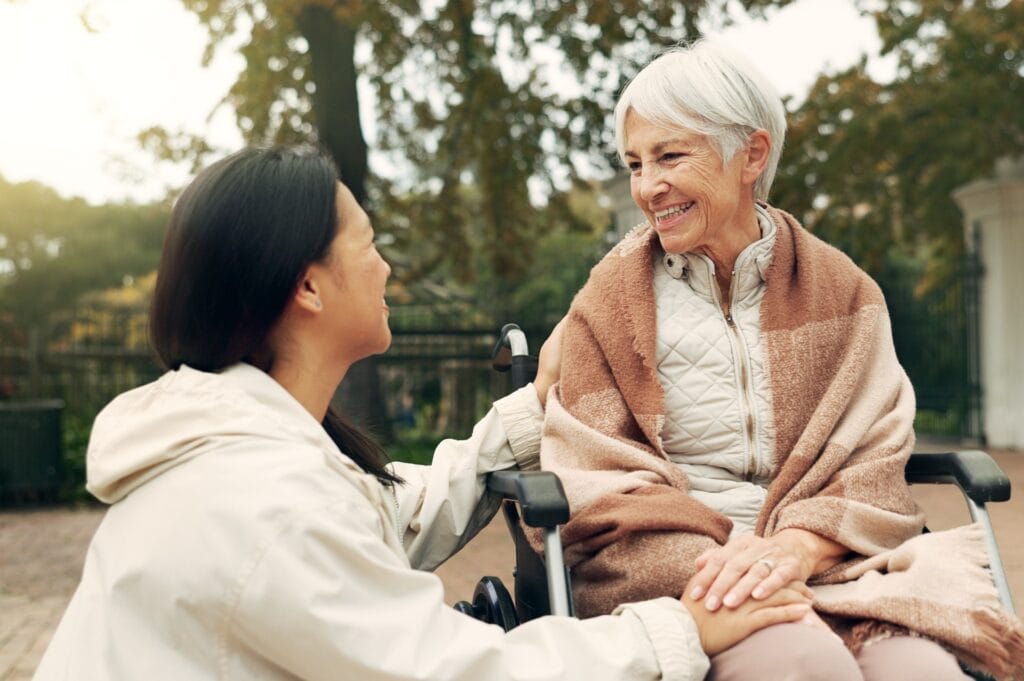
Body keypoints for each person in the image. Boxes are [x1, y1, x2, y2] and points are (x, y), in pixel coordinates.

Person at [32, 145, 815, 681]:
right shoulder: (258, 502)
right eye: (368, 244)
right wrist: (677, 631)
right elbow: (449, 667)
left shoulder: (248, 445)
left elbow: (386, 515)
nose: (386, 265)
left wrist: (532, 408)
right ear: (307, 287)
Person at [538, 39, 1024, 681]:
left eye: (670, 156)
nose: (648, 186)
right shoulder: (608, 305)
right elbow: (594, 479)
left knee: (920, 672)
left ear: (752, 155)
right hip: (674, 566)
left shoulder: (845, 293)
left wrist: (793, 550)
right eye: (635, 163)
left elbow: (872, 461)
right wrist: (738, 559)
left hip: (833, 560)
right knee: (804, 663)